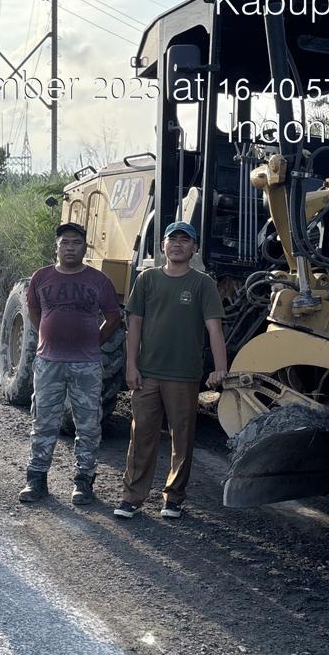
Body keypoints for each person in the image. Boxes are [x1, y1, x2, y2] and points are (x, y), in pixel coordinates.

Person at [114, 221, 228, 520]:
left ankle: (174, 498)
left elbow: (214, 328)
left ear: (195, 248)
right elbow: (134, 325)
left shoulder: (203, 284)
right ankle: (131, 497)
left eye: (185, 240)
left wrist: (220, 368)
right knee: (141, 437)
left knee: (182, 439)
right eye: (172, 239)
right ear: (162, 246)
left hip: (184, 375)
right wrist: (131, 365)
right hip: (147, 374)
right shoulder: (147, 279)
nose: (178, 244)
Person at [17, 222, 122, 506]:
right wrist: (47, 335)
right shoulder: (41, 277)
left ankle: (84, 481)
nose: (70, 247)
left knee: (88, 425)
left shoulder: (99, 280)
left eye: (76, 243)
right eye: (65, 242)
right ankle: (36, 479)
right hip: (48, 362)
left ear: (85, 247)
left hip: (86, 365)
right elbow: (34, 311)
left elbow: (113, 317)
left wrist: (94, 342)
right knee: (43, 421)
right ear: (57, 247)